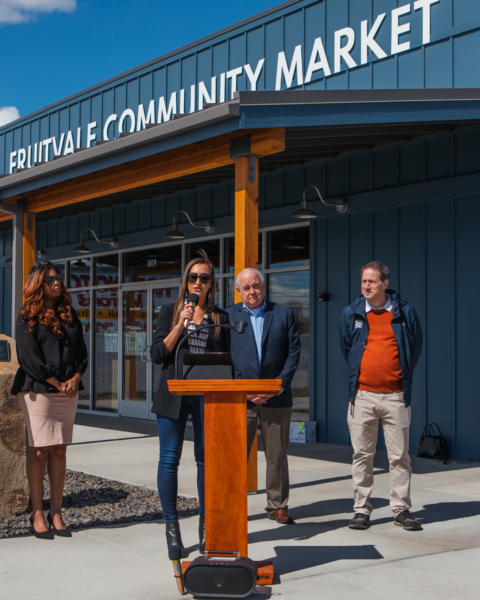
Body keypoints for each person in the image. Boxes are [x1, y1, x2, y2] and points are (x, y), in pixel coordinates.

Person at [151, 251, 230, 558]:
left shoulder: (219, 317)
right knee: (169, 459)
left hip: (205, 394)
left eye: (204, 278)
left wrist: (207, 325)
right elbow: (158, 354)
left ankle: (206, 526)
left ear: (211, 284)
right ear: (185, 281)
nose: (198, 283)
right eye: (193, 277)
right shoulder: (170, 310)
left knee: (205, 461)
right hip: (173, 393)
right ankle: (172, 529)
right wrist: (181, 325)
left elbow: (225, 360)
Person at [339, 261, 423, 531]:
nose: (366, 286)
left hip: (396, 397)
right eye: (364, 281)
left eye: (372, 281)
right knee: (362, 456)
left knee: (399, 457)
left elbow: (414, 347)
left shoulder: (404, 312)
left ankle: (401, 509)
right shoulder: (350, 313)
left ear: (385, 283)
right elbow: (347, 348)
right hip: (362, 396)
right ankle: (361, 510)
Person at [12, 261, 88, 540]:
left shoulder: (69, 314)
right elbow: (28, 358)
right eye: (50, 279)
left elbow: (82, 351)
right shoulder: (26, 316)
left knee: (60, 450)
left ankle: (57, 512)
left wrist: (76, 377)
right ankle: (37, 513)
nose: (57, 283)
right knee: (40, 449)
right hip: (39, 391)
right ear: (38, 284)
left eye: (58, 278)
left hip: (68, 391)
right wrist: (56, 383)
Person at [226, 268, 300, 524]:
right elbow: (224, 359)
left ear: (263, 286)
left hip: (276, 397)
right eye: (246, 288)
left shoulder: (282, 313)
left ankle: (277, 505)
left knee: (277, 454)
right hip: (239, 399)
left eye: (256, 286)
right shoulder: (228, 316)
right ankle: (233, 504)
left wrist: (276, 386)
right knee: (235, 456)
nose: (252, 291)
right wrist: (241, 388)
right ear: (238, 291)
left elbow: (293, 353)